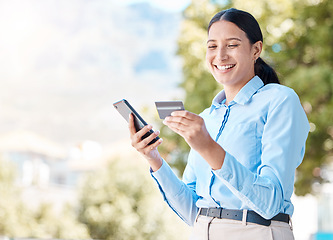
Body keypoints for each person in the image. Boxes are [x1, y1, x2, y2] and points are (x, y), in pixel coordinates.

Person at [128, 8, 309, 240]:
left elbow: (271, 202)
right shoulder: (207, 119)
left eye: (232, 45)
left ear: (256, 49)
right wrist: (153, 158)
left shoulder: (280, 100)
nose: (220, 55)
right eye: (212, 46)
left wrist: (208, 147)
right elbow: (192, 210)